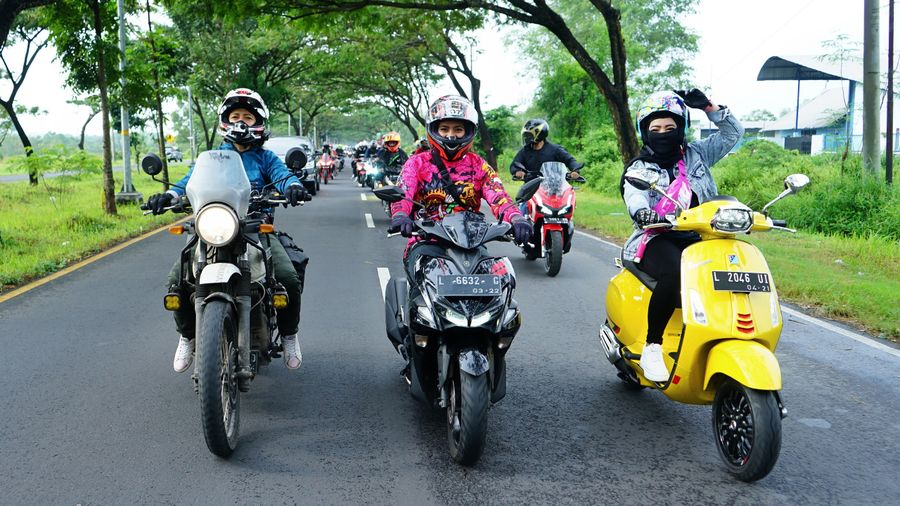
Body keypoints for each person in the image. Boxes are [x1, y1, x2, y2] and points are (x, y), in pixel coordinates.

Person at [146, 87, 310, 373]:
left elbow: (283, 177)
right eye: (235, 116)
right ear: (225, 121)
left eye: (247, 117)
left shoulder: (266, 158)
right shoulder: (211, 158)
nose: (240, 122)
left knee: (287, 278)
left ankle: (289, 335)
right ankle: (187, 336)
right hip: (212, 228)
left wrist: (293, 187)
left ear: (258, 122)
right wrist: (169, 196)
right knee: (176, 280)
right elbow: (187, 183)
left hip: (256, 229)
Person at [622, 88, 744, 382]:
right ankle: (653, 346)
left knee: (735, 268)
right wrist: (644, 214)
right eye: (655, 129)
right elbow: (634, 195)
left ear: (681, 128)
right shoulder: (640, 168)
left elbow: (733, 134)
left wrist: (710, 107)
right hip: (657, 237)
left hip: (703, 236)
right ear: (645, 133)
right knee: (676, 271)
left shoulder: (697, 154)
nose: (663, 134)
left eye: (670, 127)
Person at [390, 94, 532, 289]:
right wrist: (400, 214)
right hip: (427, 242)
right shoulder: (417, 163)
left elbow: (498, 196)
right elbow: (403, 192)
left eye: (458, 129)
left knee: (500, 287)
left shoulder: (478, 165)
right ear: (434, 130)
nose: (451, 135)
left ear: (468, 131)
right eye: (444, 129)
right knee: (426, 289)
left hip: (471, 244)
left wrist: (516, 218)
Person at [509, 119, 583, 182]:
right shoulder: (525, 151)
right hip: (531, 188)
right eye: (526, 135)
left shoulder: (555, 149)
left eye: (529, 135)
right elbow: (514, 164)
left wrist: (575, 171)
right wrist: (517, 171)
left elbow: (570, 160)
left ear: (540, 134)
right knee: (520, 195)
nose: (526, 138)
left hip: (554, 187)